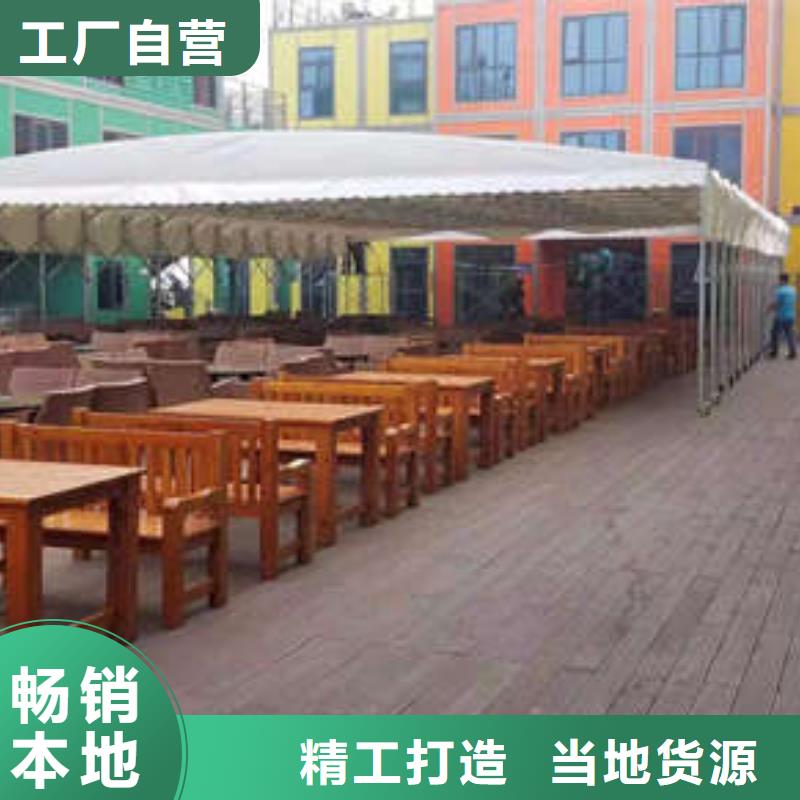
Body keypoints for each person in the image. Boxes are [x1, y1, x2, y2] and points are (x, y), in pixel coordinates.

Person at [769, 273, 797, 359]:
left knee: (774, 333)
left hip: (781, 316)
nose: (779, 282)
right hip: (791, 315)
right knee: (790, 334)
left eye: (779, 280)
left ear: (783, 280)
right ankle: (793, 352)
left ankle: (774, 352)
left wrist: (770, 308)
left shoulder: (780, 291)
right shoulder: (793, 290)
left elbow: (778, 303)